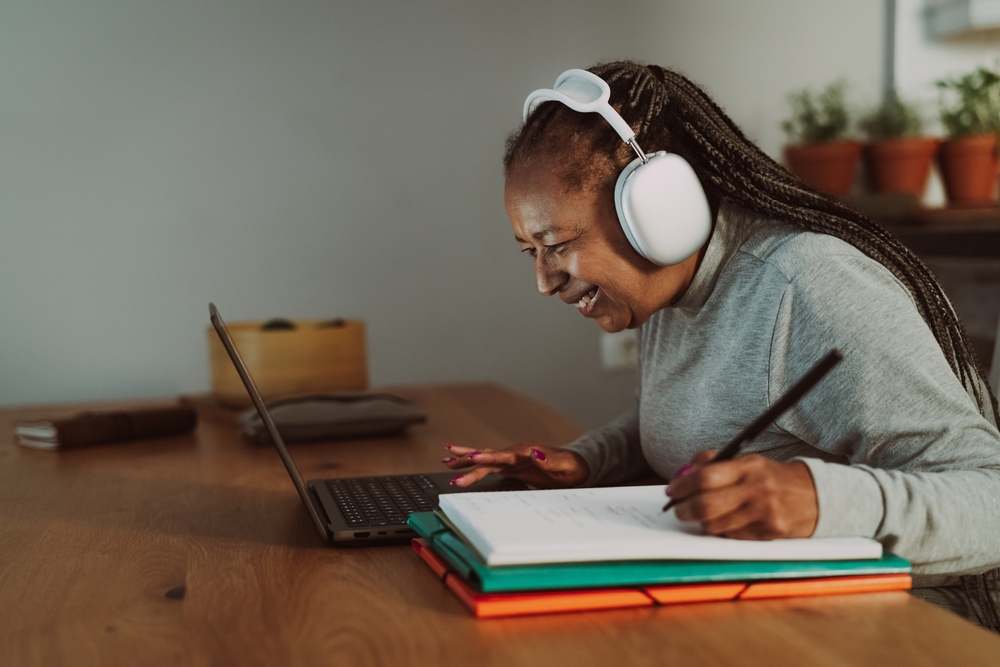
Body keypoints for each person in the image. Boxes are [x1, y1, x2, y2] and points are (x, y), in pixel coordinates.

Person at [441, 61, 1000, 631]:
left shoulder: (806, 286)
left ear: (655, 210)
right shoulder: (671, 289)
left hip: (905, 627)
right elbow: (687, 413)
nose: (544, 280)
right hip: (754, 612)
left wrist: (819, 502)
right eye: (527, 252)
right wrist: (587, 462)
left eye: (555, 243)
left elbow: (990, 500)